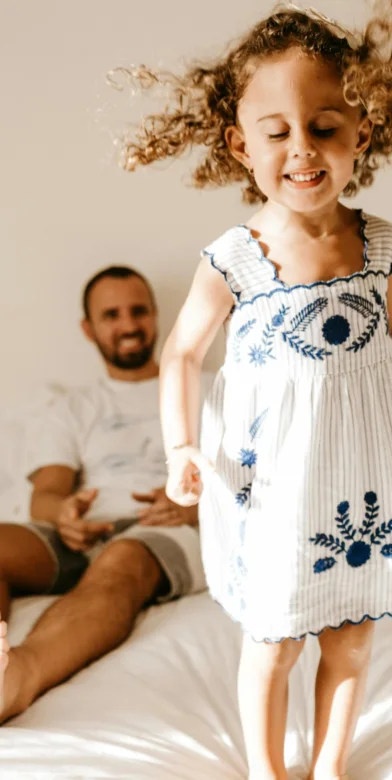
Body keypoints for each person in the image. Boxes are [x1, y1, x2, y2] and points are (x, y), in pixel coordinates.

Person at [119, 4, 392, 778]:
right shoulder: (236, 258)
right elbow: (180, 353)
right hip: (276, 478)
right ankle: (265, 769)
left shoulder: (380, 244)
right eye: (276, 131)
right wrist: (182, 445)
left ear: (364, 130)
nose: (302, 149)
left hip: (364, 473)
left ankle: (328, 767)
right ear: (239, 143)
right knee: (277, 636)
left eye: (324, 125)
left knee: (351, 632)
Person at [0, 266, 205, 724]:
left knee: (121, 563)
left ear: (156, 317)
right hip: (84, 531)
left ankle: (18, 679)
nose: (129, 325)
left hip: (165, 528)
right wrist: (65, 514)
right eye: (111, 315)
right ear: (88, 328)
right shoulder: (73, 407)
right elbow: (47, 495)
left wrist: (195, 502)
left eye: (138, 311)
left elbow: (252, 480)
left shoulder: (206, 390)